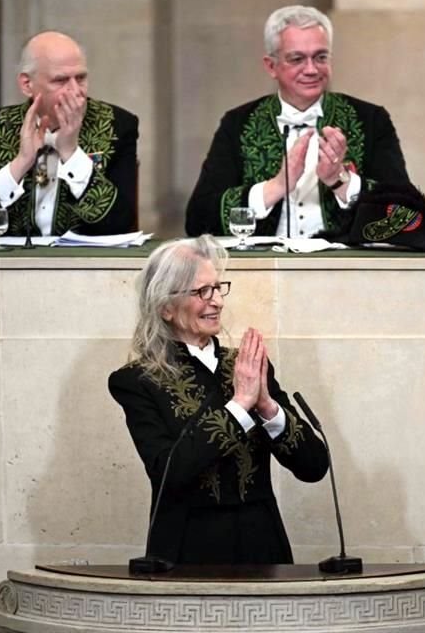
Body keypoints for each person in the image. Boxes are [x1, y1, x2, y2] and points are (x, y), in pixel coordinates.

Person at [108, 235, 329, 565]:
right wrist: (240, 405)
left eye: (218, 288)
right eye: (201, 292)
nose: (217, 302)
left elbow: (313, 467)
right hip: (187, 548)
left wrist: (268, 408)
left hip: (263, 545)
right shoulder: (137, 381)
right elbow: (170, 472)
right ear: (165, 306)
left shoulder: (249, 366)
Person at [185, 6, 410, 239]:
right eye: (297, 59)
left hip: (344, 268)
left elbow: (407, 214)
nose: (311, 69)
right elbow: (198, 219)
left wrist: (340, 180)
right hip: (264, 270)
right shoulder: (238, 123)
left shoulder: (370, 120)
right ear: (271, 66)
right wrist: (275, 187)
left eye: (320, 57)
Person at [0, 31, 138, 238]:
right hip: (10, 264)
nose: (76, 91)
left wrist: (71, 154)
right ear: (27, 85)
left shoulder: (119, 126)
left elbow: (120, 224)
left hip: (85, 264)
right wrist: (20, 163)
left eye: (80, 78)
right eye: (61, 80)